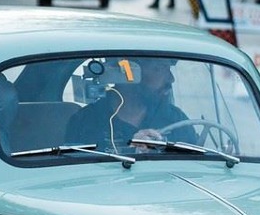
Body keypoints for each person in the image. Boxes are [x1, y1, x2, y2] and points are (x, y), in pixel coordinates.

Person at [64, 57, 198, 152]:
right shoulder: (85, 122)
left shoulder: (176, 119)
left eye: (168, 68)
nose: (171, 78)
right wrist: (129, 153)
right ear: (128, 72)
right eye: (159, 68)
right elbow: (78, 179)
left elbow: (195, 169)